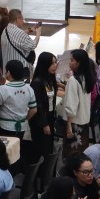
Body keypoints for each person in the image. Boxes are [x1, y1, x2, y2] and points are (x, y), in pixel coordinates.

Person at [0, 59, 36, 145]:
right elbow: (34, 110)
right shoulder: (29, 89)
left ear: (8, 72)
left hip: (4, 127)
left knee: (3, 149)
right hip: (21, 128)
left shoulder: (3, 89)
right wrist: (23, 119)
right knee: (16, 148)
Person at [57, 49, 95, 149]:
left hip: (74, 123)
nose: (70, 62)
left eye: (72, 60)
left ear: (79, 63)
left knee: (71, 153)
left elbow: (72, 105)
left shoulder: (73, 80)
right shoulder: (86, 78)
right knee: (81, 151)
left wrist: (69, 125)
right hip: (84, 122)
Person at [30, 52, 59, 181]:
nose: (55, 66)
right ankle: (39, 177)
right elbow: (38, 106)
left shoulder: (50, 80)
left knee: (48, 148)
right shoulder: (37, 83)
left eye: (55, 62)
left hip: (50, 119)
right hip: (40, 123)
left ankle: (46, 176)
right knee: (42, 149)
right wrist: (44, 124)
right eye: (52, 63)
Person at [1, 9, 41, 76]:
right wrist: (38, 34)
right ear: (18, 19)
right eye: (22, 19)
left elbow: (17, 37)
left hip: (8, 71)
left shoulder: (5, 30)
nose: (23, 21)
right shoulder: (19, 33)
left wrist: (30, 29)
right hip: (20, 71)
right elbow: (33, 45)